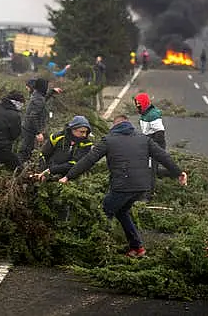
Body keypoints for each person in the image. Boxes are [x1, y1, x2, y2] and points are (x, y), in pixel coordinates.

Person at [59, 115, 188, 258]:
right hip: (142, 187)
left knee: (103, 213)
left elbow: (89, 160)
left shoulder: (108, 140)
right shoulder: (144, 139)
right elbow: (163, 156)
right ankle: (137, 247)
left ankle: (97, 248)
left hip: (123, 186)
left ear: (114, 126)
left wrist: (68, 176)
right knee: (121, 211)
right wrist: (178, 172)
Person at [36, 115, 93, 181]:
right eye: (82, 132)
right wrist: (43, 171)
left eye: (86, 132)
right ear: (73, 129)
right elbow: (43, 155)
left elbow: (74, 164)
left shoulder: (86, 144)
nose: (84, 135)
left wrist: (51, 170)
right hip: (51, 171)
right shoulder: (56, 137)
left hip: (70, 176)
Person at [133, 92, 166, 197]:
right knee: (150, 168)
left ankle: (148, 195)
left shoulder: (153, 115)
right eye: (136, 103)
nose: (137, 106)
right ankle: (173, 173)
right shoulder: (145, 114)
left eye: (139, 103)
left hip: (155, 145)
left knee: (150, 170)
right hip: (149, 144)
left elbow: (160, 133)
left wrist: (153, 148)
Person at [19, 78, 50, 164]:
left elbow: (44, 98)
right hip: (30, 130)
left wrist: (52, 92)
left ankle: (22, 168)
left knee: (27, 150)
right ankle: (18, 170)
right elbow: (33, 116)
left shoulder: (37, 95)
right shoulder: (39, 99)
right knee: (25, 151)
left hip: (28, 128)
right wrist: (38, 132)